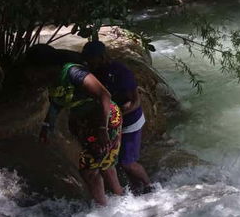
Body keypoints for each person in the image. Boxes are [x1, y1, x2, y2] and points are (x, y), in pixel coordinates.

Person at [26, 44, 124, 206]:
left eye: (32, 71)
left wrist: (102, 129)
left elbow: (104, 95)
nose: (31, 76)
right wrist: (47, 126)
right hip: (86, 122)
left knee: (89, 169)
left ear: (44, 67)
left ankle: (104, 211)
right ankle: (121, 203)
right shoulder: (51, 80)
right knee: (105, 163)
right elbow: (57, 103)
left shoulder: (73, 72)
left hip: (105, 119)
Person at [82, 41, 151, 194]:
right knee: (117, 161)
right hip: (112, 122)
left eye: (91, 58)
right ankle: (136, 188)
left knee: (127, 163)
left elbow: (135, 101)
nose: (88, 62)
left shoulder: (120, 72)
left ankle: (149, 186)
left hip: (130, 121)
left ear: (100, 57)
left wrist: (114, 118)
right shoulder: (94, 71)